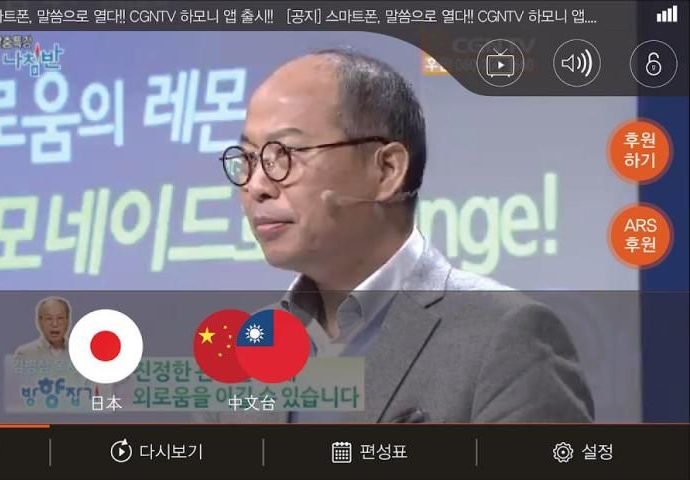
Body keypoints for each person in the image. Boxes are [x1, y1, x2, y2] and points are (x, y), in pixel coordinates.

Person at [211, 48, 594, 423]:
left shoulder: (504, 335)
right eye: (247, 159)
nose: (256, 185)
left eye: (285, 154)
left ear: (387, 170)